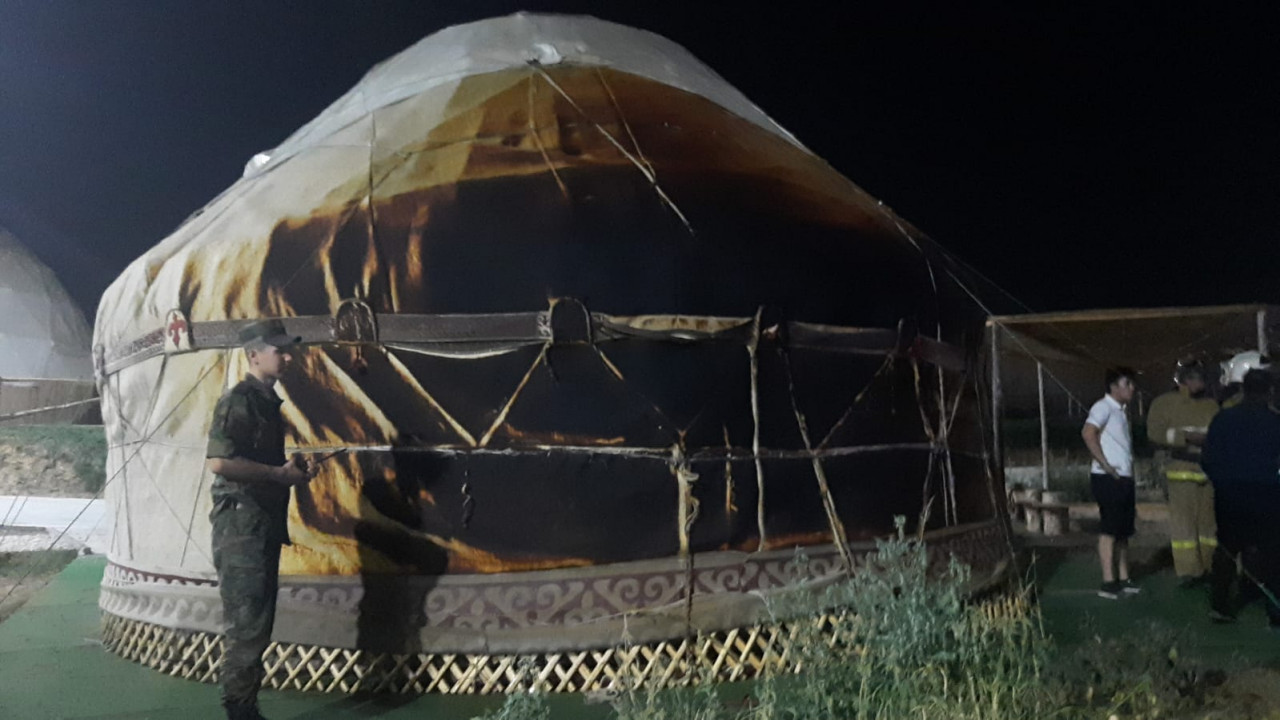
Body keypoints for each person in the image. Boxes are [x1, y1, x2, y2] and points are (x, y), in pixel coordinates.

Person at [205, 319, 317, 720]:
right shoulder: (239, 400)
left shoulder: (266, 401)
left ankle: (245, 707)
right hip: (241, 528)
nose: (287, 358)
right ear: (254, 355)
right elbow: (219, 462)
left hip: (259, 524)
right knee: (247, 625)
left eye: (288, 351)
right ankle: (240, 711)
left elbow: (259, 463)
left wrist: (291, 470)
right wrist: (276, 474)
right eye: (278, 351)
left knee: (257, 623)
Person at [1200, 368, 1280, 630]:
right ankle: (1275, 612)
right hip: (1267, 495)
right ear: (1269, 392)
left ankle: (1220, 605)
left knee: (1226, 550)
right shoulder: (1275, 422)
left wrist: (1221, 482)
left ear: (1243, 389)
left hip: (1230, 494)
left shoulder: (1223, 419)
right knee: (1272, 552)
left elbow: (1208, 458)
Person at [1146, 361, 1219, 586]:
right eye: (1195, 379)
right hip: (1180, 472)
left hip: (1208, 473)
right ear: (1184, 381)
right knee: (1184, 527)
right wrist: (1185, 438)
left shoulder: (1211, 405)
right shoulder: (1164, 404)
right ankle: (1189, 571)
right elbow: (1154, 433)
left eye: (1201, 379)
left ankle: (1211, 566)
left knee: (1209, 527)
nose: (1200, 383)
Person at [1082, 367, 1141, 600]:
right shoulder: (1103, 407)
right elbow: (1088, 433)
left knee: (1123, 530)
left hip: (1123, 477)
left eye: (1132, 384)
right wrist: (1105, 465)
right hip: (1108, 478)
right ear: (1114, 387)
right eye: (1127, 384)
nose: (1132, 388)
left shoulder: (1121, 411)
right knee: (1109, 528)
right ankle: (1108, 582)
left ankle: (1124, 578)